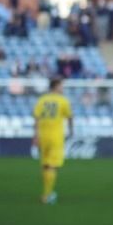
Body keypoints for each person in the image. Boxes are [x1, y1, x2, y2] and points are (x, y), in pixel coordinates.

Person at [32, 77, 73, 205]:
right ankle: (47, 195)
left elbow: (36, 118)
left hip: (43, 136)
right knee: (52, 166)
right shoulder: (63, 101)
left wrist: (36, 135)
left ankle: (47, 192)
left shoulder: (42, 100)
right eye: (61, 86)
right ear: (55, 86)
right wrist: (72, 131)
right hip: (56, 136)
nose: (63, 89)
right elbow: (70, 117)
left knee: (45, 165)